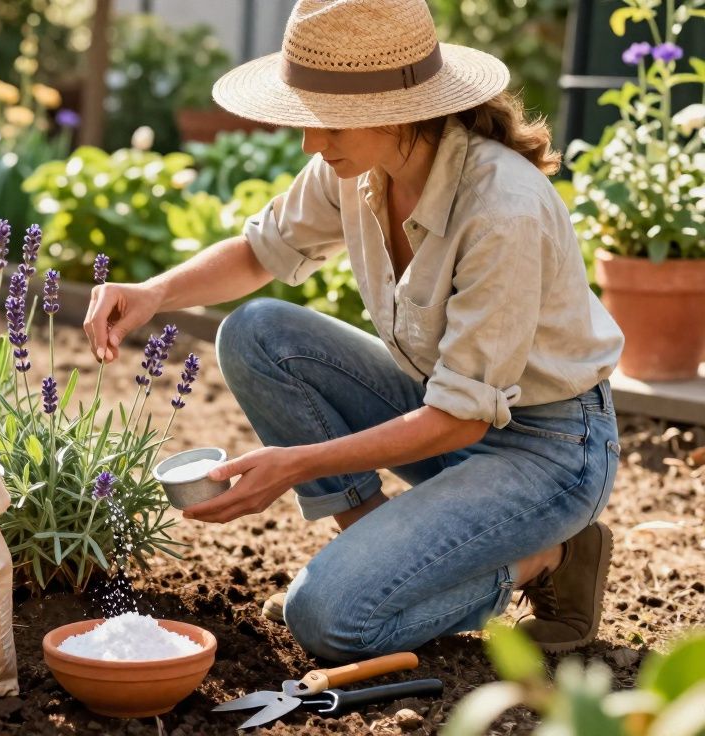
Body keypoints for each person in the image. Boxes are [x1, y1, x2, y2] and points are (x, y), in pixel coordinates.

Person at [83, 0, 624, 661]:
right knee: (256, 333)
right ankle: (374, 554)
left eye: (326, 122)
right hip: (447, 413)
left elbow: (461, 419)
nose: (311, 142)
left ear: (398, 110)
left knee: (331, 621)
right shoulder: (362, 167)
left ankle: (547, 557)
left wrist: (294, 466)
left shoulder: (500, 209)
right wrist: (154, 292)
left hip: (548, 452)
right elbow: (260, 253)